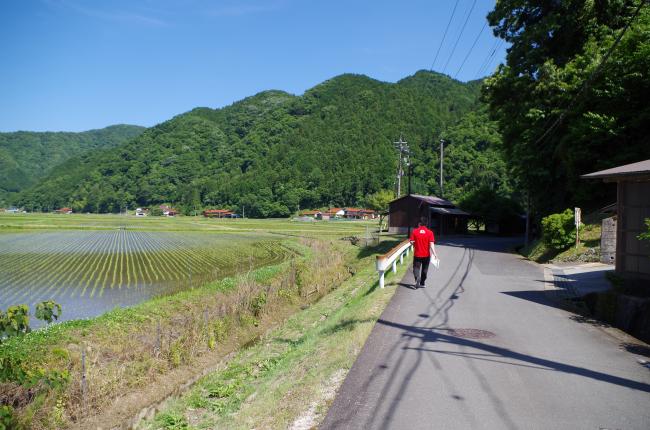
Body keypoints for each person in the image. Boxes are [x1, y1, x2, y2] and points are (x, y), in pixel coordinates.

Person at [409, 217, 438, 287]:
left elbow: (412, 242)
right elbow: (431, 244)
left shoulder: (414, 231)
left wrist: (415, 244)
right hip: (426, 255)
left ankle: (417, 279)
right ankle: (422, 283)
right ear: (426, 224)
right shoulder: (430, 232)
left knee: (416, 268)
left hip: (417, 254)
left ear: (419, 224)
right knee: (425, 269)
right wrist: (435, 254)